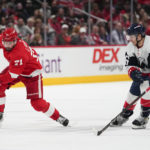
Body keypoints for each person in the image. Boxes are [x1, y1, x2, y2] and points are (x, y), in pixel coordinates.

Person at [0, 27, 69, 126]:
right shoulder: (6, 39)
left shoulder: (19, 54)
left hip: (32, 75)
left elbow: (12, 76)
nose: (7, 45)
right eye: (5, 43)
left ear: (15, 40)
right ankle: (0, 113)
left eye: (10, 43)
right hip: (17, 69)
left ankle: (58, 117)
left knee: (37, 104)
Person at [110, 23, 150, 129]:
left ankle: (144, 116)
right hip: (143, 73)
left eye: (132, 36)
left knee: (146, 90)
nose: (130, 39)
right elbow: (129, 65)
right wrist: (133, 72)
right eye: (129, 36)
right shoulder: (130, 48)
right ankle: (125, 114)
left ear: (140, 36)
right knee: (132, 94)